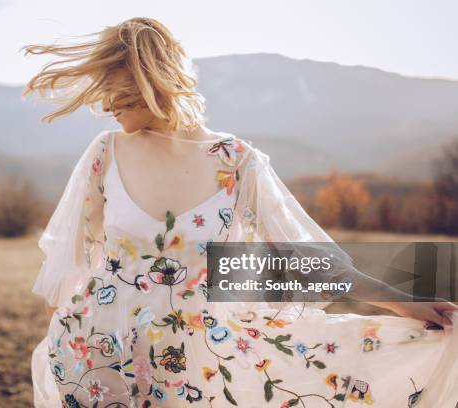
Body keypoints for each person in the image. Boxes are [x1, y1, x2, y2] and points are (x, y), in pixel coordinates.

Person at [23, 17, 458, 407]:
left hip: (199, 360)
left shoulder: (238, 161)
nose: (104, 105)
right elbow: (68, 271)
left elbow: (305, 257)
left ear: (147, 76)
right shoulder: (105, 152)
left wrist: (399, 300)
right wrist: (71, 340)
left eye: (111, 87)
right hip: (102, 357)